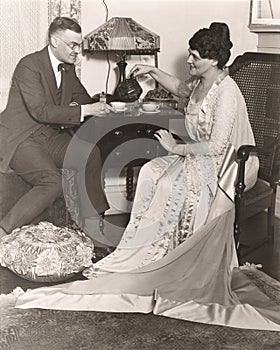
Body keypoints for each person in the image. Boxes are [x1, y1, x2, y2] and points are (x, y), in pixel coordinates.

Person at [14, 23, 280, 331]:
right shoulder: (201, 81)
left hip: (226, 163)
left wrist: (176, 147)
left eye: (194, 56)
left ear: (212, 60)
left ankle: (165, 255)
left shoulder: (227, 92)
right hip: (201, 154)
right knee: (151, 171)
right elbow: (182, 89)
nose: (189, 60)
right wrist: (152, 73)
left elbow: (219, 145)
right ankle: (141, 252)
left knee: (168, 181)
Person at [0, 17, 112, 244]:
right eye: (73, 45)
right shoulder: (29, 65)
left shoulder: (68, 69)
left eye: (79, 45)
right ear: (54, 41)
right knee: (52, 181)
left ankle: (93, 226)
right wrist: (85, 109)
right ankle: (3, 231)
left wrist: (107, 102)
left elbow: (82, 99)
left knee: (89, 153)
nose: (77, 51)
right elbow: (41, 111)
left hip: (47, 136)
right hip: (19, 137)